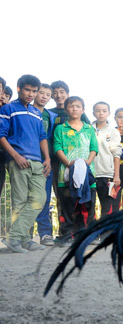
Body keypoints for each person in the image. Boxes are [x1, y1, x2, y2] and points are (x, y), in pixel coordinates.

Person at [0, 75, 49, 253]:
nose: (31, 94)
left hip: (38, 162)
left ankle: (14, 237)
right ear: (19, 88)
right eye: (27, 90)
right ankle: (25, 240)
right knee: (19, 201)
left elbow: (42, 137)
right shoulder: (8, 108)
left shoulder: (37, 113)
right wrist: (15, 156)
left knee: (39, 199)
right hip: (18, 160)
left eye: (34, 91)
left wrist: (47, 159)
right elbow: (1, 135)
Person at [53, 96, 98, 242]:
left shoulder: (89, 129)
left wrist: (87, 163)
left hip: (88, 174)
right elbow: (57, 147)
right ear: (66, 109)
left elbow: (94, 148)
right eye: (71, 106)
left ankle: (85, 235)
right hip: (65, 173)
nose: (74, 109)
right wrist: (68, 163)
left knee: (87, 205)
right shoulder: (60, 128)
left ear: (83, 110)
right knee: (67, 206)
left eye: (78, 106)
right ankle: (66, 236)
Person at [32, 84, 57, 245]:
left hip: (46, 161)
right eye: (41, 93)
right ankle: (23, 233)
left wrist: (49, 159)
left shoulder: (51, 115)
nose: (44, 97)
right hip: (26, 158)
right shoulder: (25, 110)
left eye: (48, 95)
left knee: (45, 197)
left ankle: (45, 232)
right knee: (24, 197)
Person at [92, 101, 122, 218]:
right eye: (98, 111)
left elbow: (116, 154)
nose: (101, 113)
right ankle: (92, 233)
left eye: (104, 111)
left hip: (106, 174)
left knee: (107, 207)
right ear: (93, 113)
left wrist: (116, 175)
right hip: (91, 173)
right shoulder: (88, 128)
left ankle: (106, 234)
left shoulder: (113, 131)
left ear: (109, 113)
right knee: (89, 206)